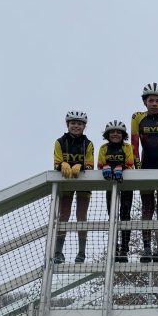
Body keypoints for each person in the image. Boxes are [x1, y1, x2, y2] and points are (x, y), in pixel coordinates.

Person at [131, 82, 158, 262]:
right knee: (147, 208)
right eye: (151, 100)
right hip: (145, 166)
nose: (154, 103)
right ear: (145, 102)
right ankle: (147, 248)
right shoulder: (137, 117)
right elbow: (134, 143)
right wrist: (137, 167)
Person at [52, 111, 95, 263]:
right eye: (73, 123)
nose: (76, 126)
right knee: (64, 215)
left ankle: (81, 252)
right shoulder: (60, 142)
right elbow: (57, 161)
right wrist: (61, 164)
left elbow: (90, 164)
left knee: (81, 216)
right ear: (68, 125)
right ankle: (58, 252)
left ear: (84, 126)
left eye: (79, 123)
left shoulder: (88, 143)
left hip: (82, 181)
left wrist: (80, 165)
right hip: (66, 181)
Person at [98, 120, 136, 261]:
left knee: (125, 215)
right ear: (107, 134)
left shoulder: (127, 147)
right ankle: (113, 247)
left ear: (123, 134)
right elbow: (100, 164)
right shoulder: (104, 148)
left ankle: (124, 249)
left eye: (118, 132)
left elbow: (130, 163)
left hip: (126, 185)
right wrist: (105, 167)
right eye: (112, 132)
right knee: (112, 215)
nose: (115, 134)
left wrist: (121, 167)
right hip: (110, 185)